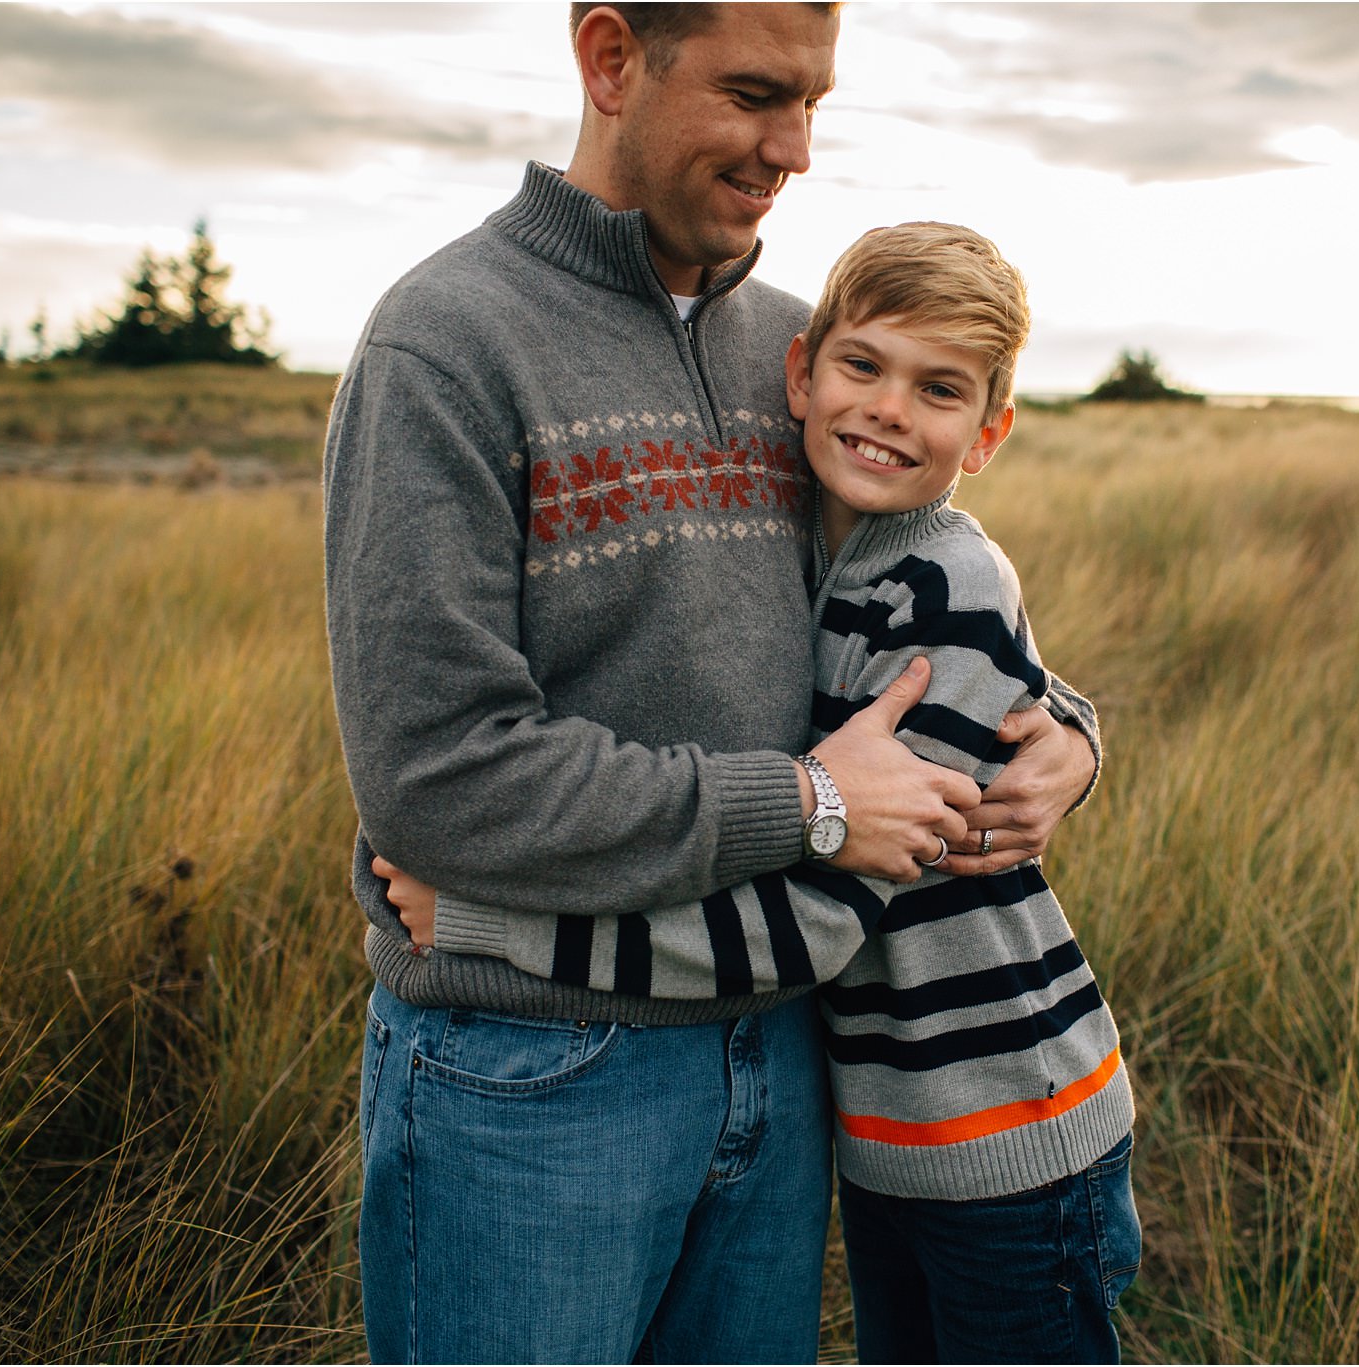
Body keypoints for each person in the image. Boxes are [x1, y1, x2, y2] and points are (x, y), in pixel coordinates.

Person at [321, 5, 1101, 1363]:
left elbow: (923, 615)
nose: (791, 148)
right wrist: (804, 803)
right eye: (755, 95)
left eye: (813, 103)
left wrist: (1070, 734)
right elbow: (435, 778)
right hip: (533, 1082)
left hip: (791, 1062)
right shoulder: (443, 346)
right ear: (613, 60)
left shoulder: (807, 354)